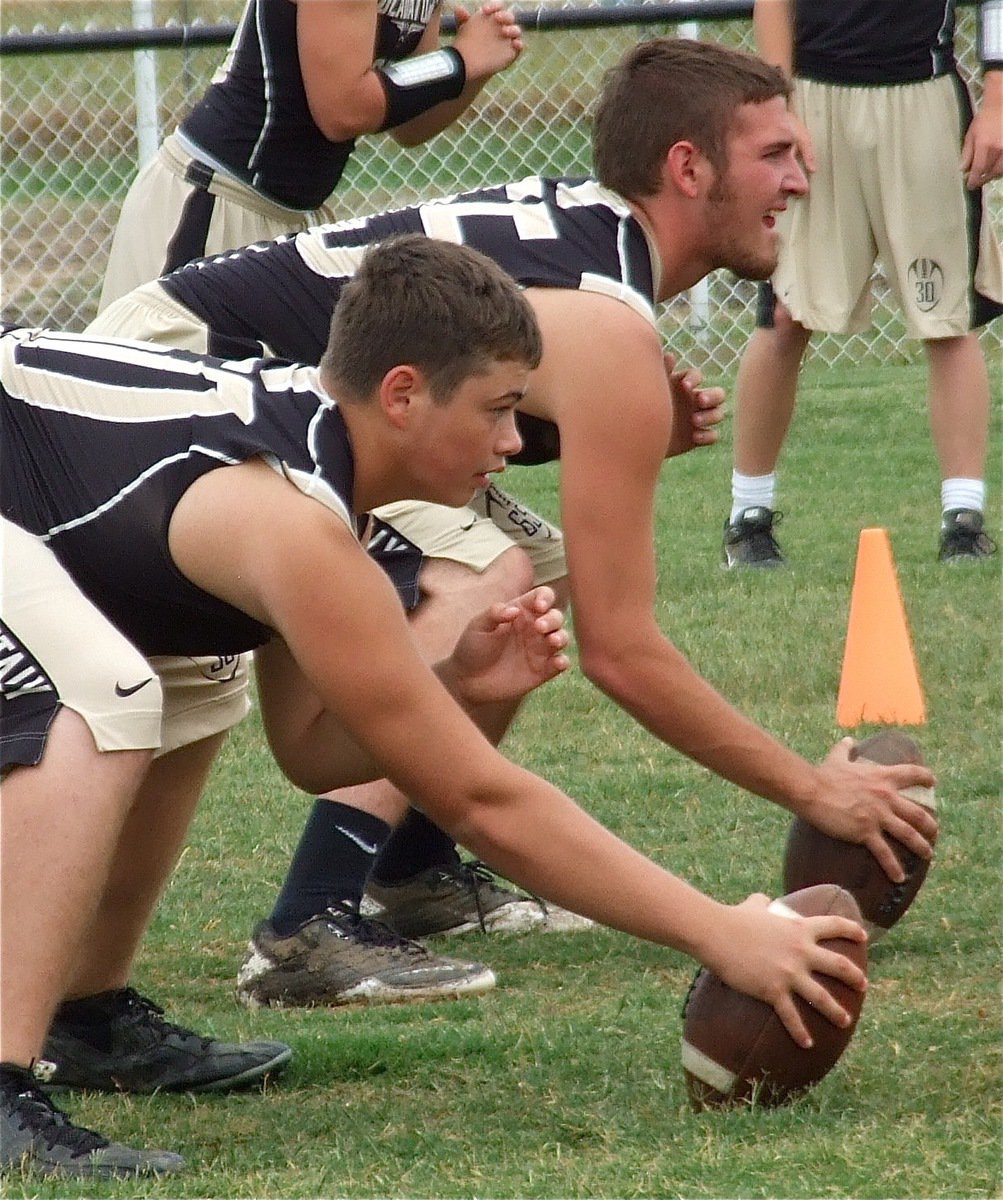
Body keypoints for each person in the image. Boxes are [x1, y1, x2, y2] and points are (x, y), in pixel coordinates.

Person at [88, 35, 940, 1015]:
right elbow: (623, 653)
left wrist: (578, 433)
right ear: (687, 166)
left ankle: (407, 871)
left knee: (523, 561)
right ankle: (310, 924)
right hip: (199, 381)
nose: (804, 175)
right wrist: (811, 790)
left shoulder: (592, 247)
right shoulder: (612, 324)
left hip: (227, 364)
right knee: (479, 576)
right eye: (777, 154)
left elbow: (445, 389)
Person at [2, 236, 881, 1178]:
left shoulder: (323, 484)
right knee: (102, 696)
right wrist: (721, 931)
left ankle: (84, 1013)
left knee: (194, 675)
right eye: (501, 410)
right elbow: (477, 800)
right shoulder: (292, 519)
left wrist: (454, 683)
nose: (515, 442)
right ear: (405, 393)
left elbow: (308, 749)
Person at [722, 0, 1003, 568]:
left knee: (946, 316)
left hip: (922, 96)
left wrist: (998, 100)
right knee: (784, 314)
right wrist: (781, 103)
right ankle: (747, 518)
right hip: (813, 100)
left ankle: (963, 521)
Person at [98, 0, 524, 311]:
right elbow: (342, 109)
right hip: (212, 205)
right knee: (156, 397)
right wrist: (461, 60)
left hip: (295, 220)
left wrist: (471, 73)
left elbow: (409, 124)